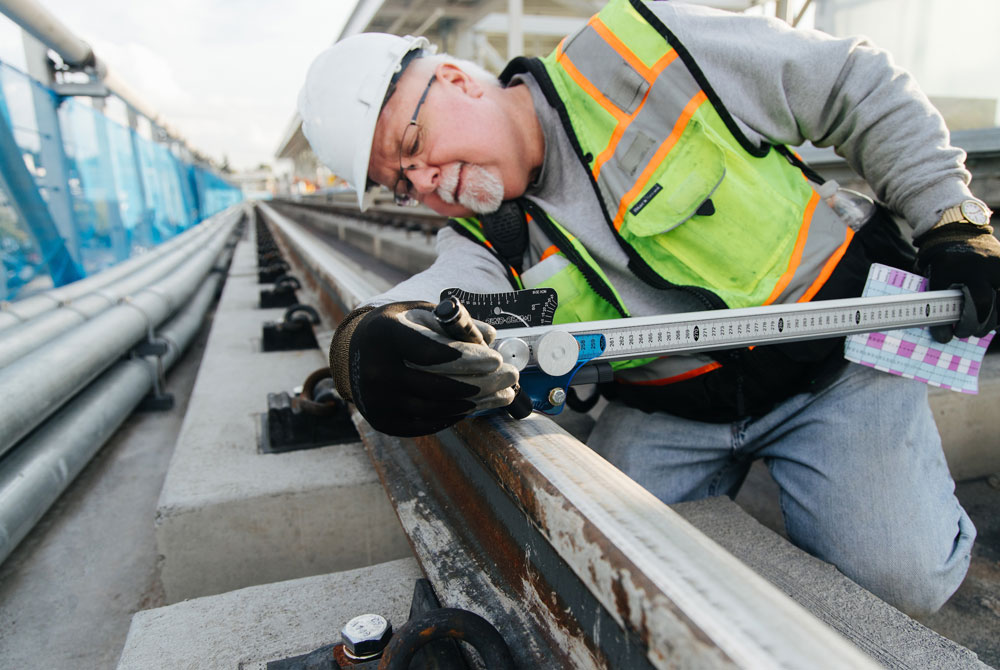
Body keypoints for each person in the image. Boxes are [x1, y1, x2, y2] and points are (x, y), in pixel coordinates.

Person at [298, 0, 1000, 616]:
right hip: (677, 409)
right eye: (402, 184)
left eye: (413, 147)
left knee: (903, 580)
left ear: (453, 79)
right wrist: (366, 345)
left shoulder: (637, 50)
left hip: (836, 363)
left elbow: (851, 81)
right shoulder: (487, 233)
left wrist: (951, 215)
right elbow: (433, 298)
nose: (426, 182)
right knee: (578, 560)